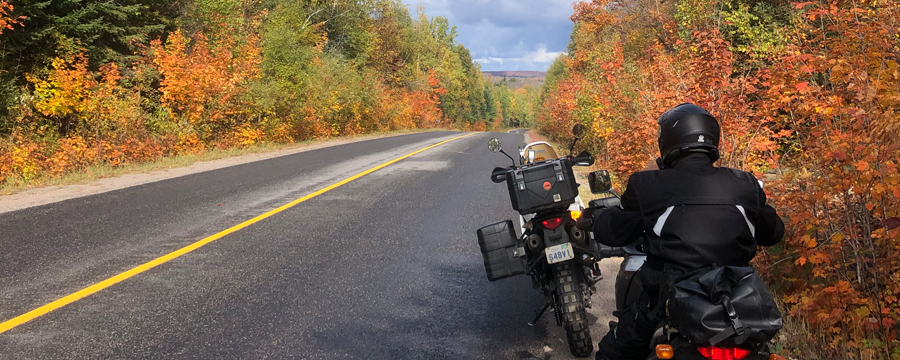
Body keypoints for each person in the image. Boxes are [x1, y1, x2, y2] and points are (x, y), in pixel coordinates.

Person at [589, 103, 785, 360]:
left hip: (667, 302)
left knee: (610, 354)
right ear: (712, 139)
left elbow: (611, 233)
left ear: (668, 141)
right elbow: (774, 234)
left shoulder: (648, 184)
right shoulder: (745, 184)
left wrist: (596, 218)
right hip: (735, 303)